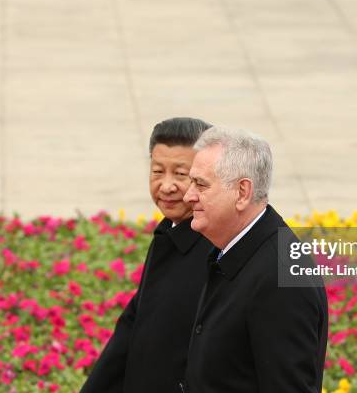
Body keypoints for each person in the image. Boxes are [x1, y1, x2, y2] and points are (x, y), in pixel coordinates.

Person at [180, 127, 328, 393]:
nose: (188, 196)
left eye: (200, 184)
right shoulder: (233, 246)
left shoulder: (280, 280)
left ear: (242, 192)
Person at [80, 117, 213, 393]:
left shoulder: (222, 247)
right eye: (157, 171)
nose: (166, 187)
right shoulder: (168, 234)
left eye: (180, 174)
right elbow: (131, 329)